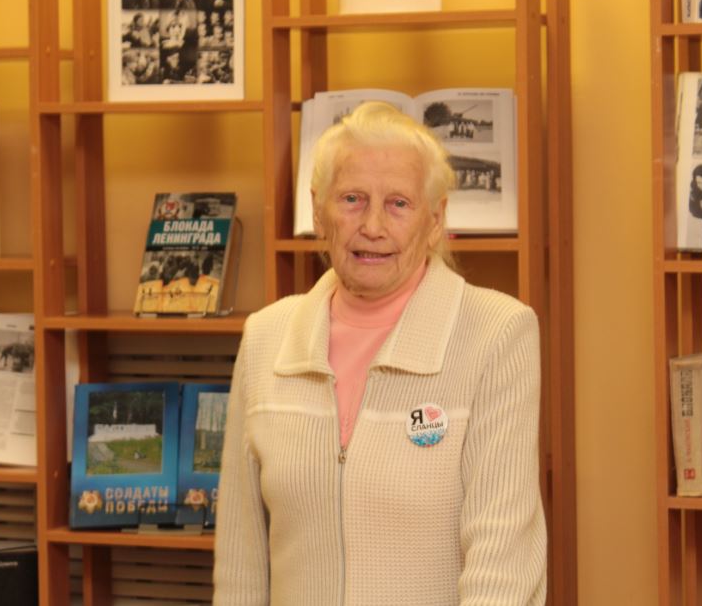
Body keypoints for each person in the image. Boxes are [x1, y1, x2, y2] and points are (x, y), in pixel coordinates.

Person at [214, 101, 547, 604]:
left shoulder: (498, 334)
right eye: (352, 199)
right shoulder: (265, 337)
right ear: (318, 210)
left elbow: (503, 564)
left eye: (398, 204)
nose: (372, 225)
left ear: (434, 220)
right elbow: (240, 562)